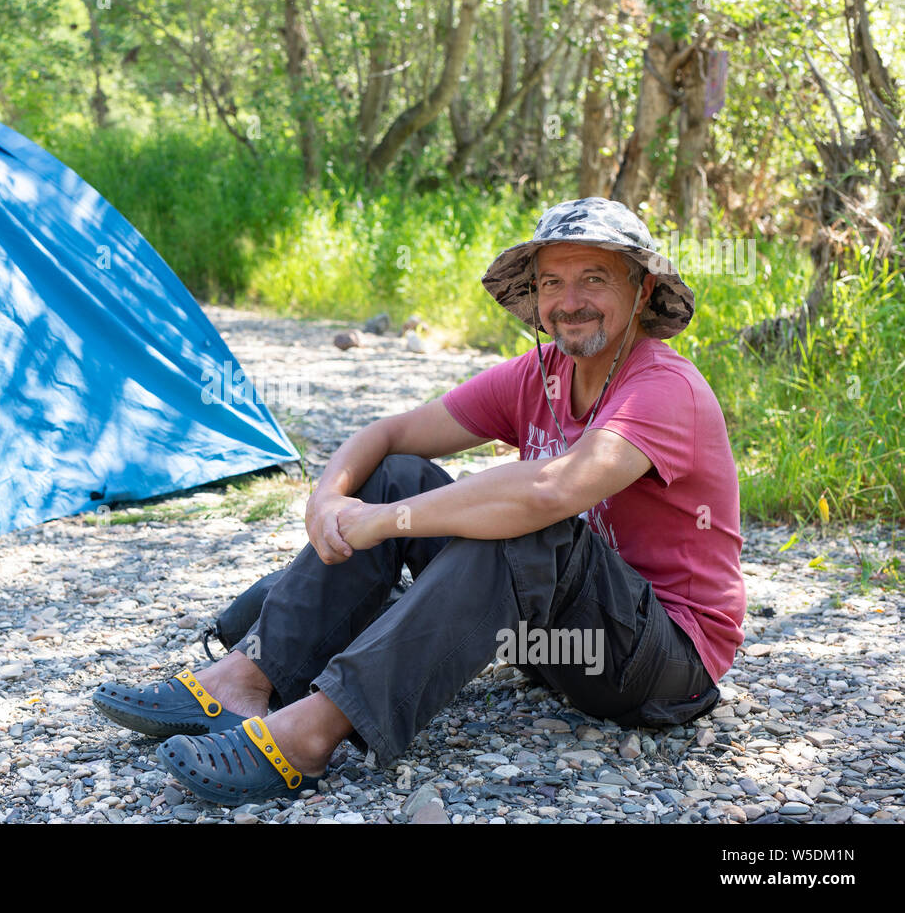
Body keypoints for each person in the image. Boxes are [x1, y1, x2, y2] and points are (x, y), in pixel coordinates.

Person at [92, 197, 746, 807]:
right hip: (557, 645)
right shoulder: (541, 375)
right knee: (397, 473)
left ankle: (312, 731)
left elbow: (553, 490)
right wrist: (329, 498)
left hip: (663, 667)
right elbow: (391, 434)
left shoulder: (664, 388)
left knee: (528, 525)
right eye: (552, 282)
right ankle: (244, 679)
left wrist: (383, 523)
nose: (569, 302)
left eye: (595, 279)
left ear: (643, 291)